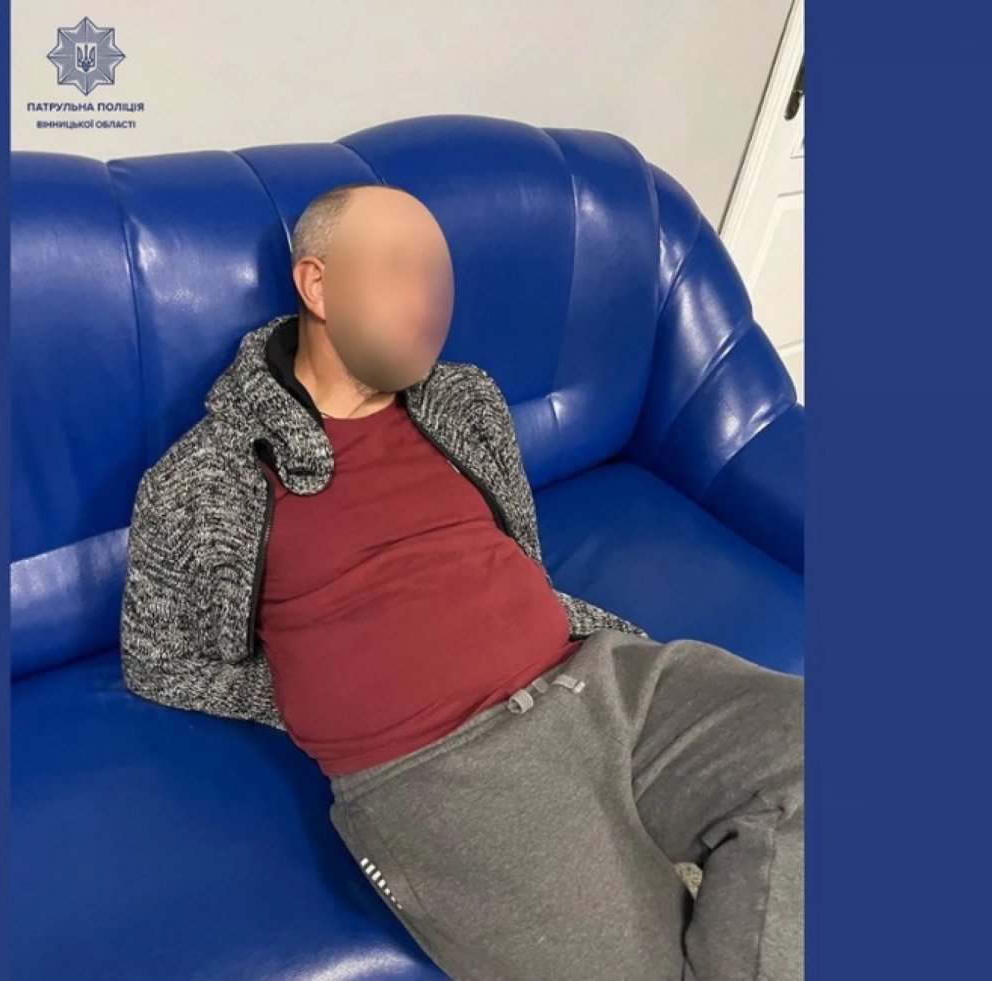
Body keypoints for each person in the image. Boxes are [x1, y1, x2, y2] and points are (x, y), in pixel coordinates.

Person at [119, 182, 804, 981]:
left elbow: (518, 551)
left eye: (439, 276)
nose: (430, 299)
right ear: (317, 285)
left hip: (605, 678)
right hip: (450, 772)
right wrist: (310, 691)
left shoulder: (463, 399)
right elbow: (158, 660)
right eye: (399, 268)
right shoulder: (206, 475)